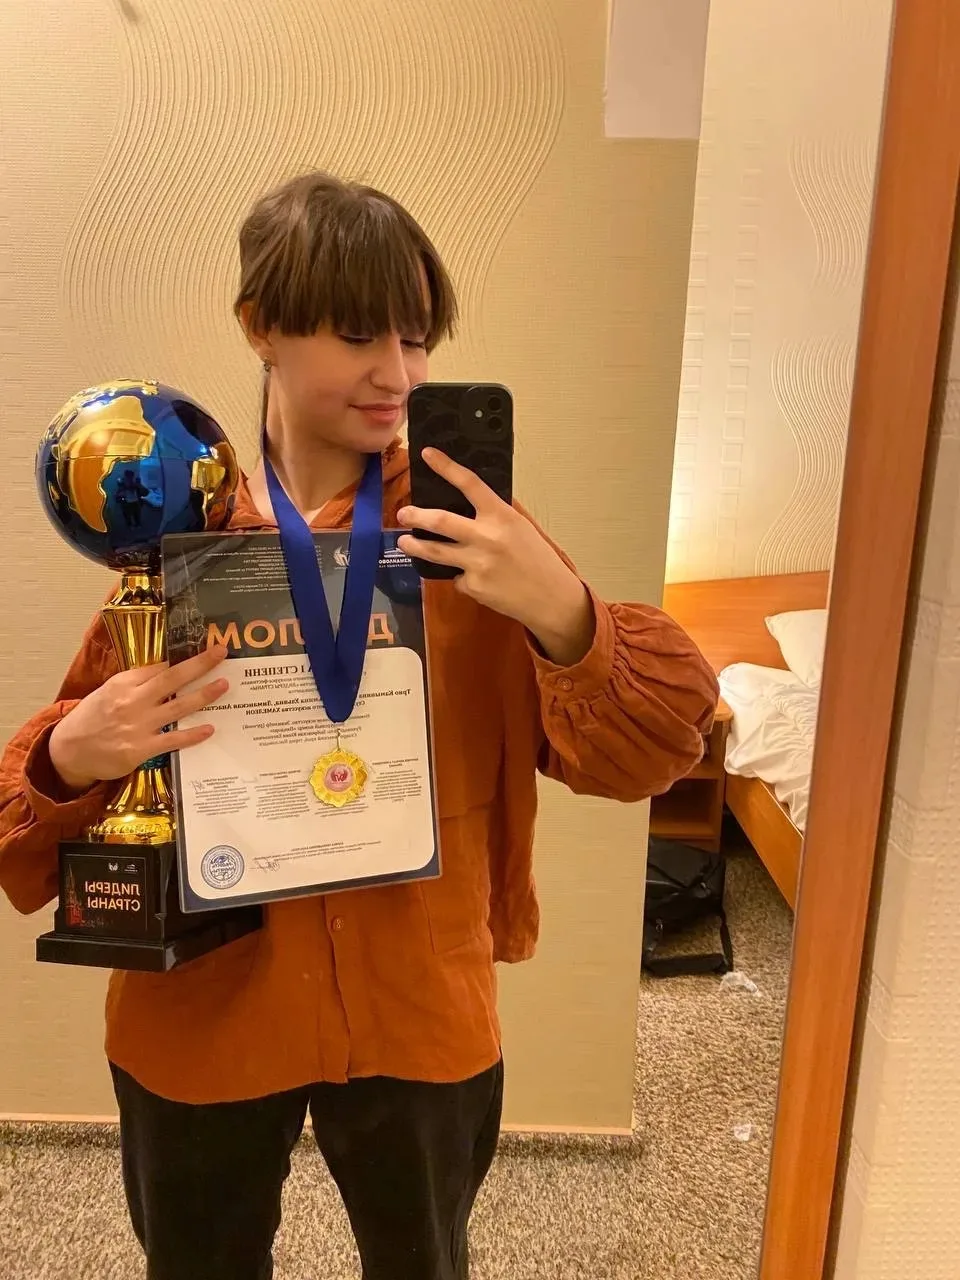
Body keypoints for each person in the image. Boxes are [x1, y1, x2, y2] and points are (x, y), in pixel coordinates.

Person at [0, 170, 719, 1280]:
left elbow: (654, 751)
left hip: (417, 996)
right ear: (261, 327)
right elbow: (33, 822)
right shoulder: (180, 531)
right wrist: (68, 753)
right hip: (208, 999)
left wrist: (565, 611)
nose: (398, 373)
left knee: (425, 1260)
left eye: (417, 337)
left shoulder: (466, 537)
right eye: (355, 334)